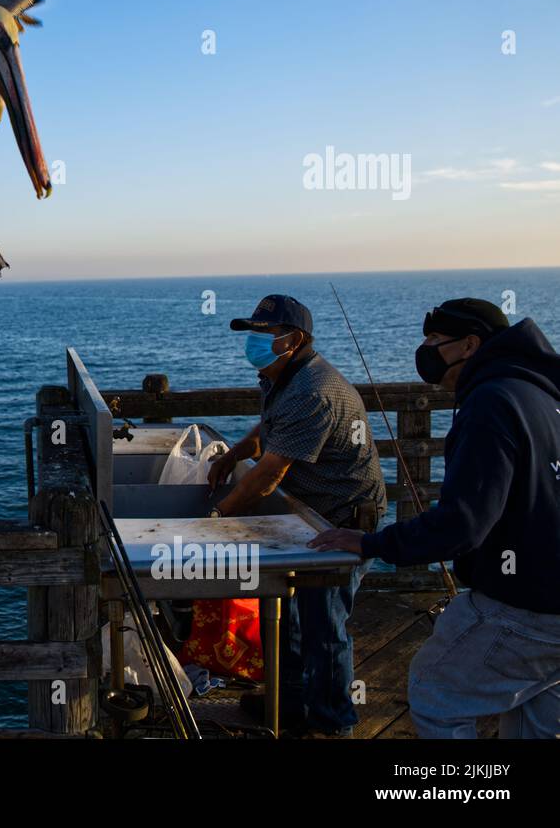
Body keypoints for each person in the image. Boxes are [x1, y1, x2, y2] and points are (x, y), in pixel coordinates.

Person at [310, 298, 560, 738]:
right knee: (530, 719)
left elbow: (463, 523)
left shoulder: (491, 401)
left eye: (433, 340)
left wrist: (372, 544)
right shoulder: (542, 393)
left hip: (527, 606)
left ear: (469, 344)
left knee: (435, 694)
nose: (424, 350)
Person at [208, 294, 386, 737]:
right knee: (286, 613)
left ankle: (332, 725)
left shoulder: (314, 390)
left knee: (323, 627)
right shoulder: (281, 375)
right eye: (252, 333)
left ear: (295, 339)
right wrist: (234, 453)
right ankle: (288, 704)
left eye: (265, 334)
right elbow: (269, 429)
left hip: (342, 519)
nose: (254, 342)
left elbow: (268, 475)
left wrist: (215, 518)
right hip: (308, 514)